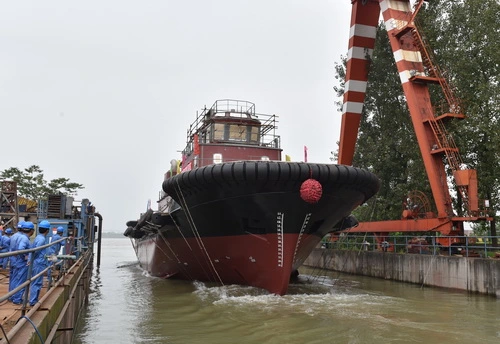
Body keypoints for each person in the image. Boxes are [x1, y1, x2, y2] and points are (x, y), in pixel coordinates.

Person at [10, 221, 35, 305]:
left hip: (16, 261)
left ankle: (13, 296)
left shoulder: (17, 236)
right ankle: (17, 299)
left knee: (15, 279)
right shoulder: (24, 238)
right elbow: (21, 249)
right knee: (21, 281)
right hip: (22, 262)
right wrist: (26, 256)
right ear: (31, 231)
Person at [29, 220, 50, 306]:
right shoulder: (41, 240)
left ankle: (34, 300)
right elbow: (36, 251)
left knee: (36, 281)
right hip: (38, 263)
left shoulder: (38, 237)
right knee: (36, 282)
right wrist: (31, 260)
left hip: (37, 262)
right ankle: (33, 301)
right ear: (47, 230)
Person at [8, 221, 25, 293]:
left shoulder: (13, 236)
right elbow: (20, 249)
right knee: (17, 278)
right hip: (18, 260)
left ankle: (10, 294)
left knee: (12, 277)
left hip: (11, 259)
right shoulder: (22, 237)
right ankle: (15, 296)